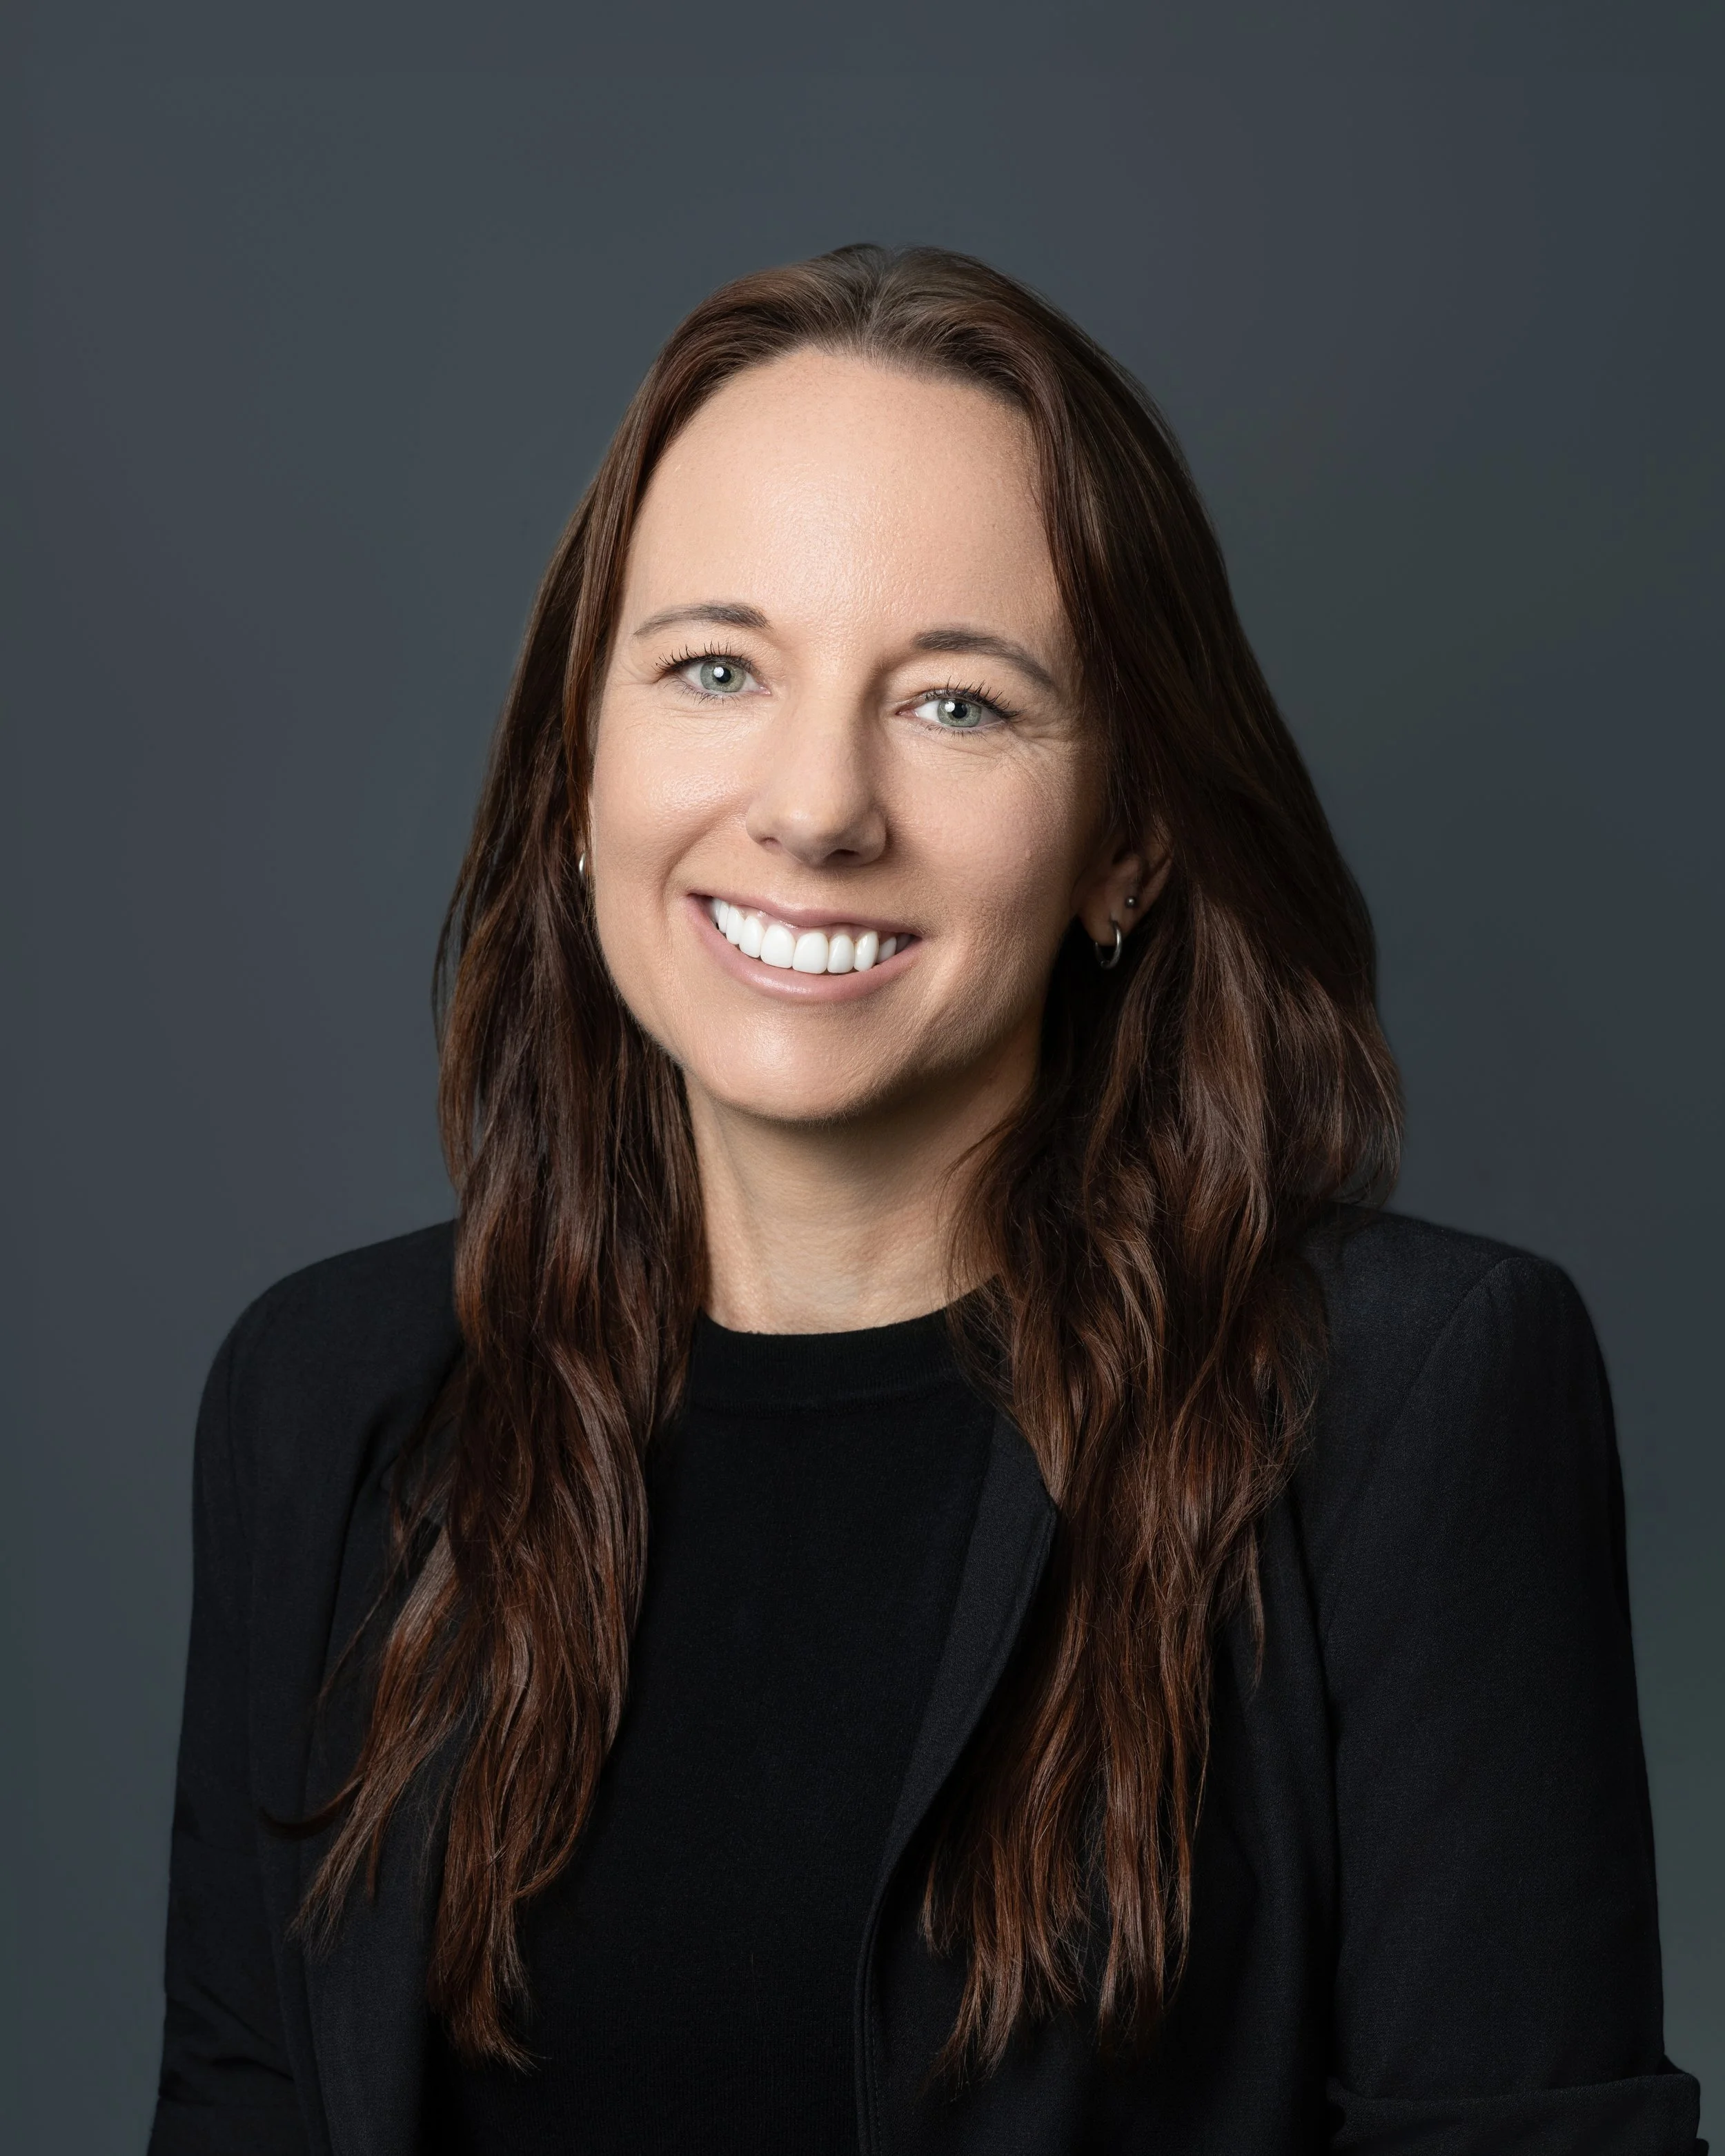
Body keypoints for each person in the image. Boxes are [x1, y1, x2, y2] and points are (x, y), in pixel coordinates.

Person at [147, 244, 1704, 2156]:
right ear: (579, 762)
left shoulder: (1411, 1404)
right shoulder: (322, 1402)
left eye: (956, 704)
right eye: (715, 668)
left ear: (1126, 838)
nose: (815, 807)